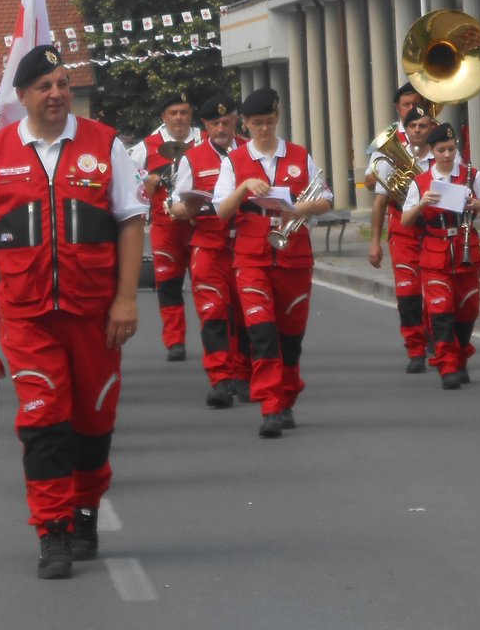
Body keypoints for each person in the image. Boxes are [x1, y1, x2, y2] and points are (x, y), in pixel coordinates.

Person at [0, 45, 145, 579]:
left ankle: (85, 512)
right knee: (44, 421)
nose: (57, 94)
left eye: (63, 83)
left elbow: (131, 222)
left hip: (94, 314)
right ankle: (52, 530)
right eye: (45, 86)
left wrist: (126, 298)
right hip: (26, 315)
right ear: (22, 97)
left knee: (92, 422)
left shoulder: (105, 145)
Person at [212, 87, 332, 439]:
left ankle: (287, 394)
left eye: (270, 122)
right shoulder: (233, 162)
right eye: (256, 123)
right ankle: (270, 405)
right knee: (261, 333)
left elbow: (324, 198)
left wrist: (298, 206)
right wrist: (245, 187)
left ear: (277, 119)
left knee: (290, 335)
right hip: (251, 258)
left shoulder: (298, 155)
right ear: (245, 125)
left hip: (293, 256)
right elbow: (221, 211)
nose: (264, 129)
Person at [166, 94, 249, 409]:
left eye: (227, 121)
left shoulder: (250, 152)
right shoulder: (193, 158)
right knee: (213, 313)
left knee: (244, 312)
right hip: (209, 244)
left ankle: (243, 374)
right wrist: (186, 207)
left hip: (244, 244)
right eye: (215, 122)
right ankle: (220, 379)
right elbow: (176, 204)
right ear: (205, 125)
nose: (222, 127)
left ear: (236, 120)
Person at [400, 123, 480, 390]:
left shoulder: (470, 175)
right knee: (441, 312)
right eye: (441, 150)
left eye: (451, 149)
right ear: (432, 151)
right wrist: (422, 203)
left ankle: (460, 354)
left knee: (467, 310)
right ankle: (447, 364)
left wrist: (477, 204)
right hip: (435, 252)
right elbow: (406, 220)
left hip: (466, 249)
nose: (447, 155)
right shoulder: (421, 182)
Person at [127, 92, 202, 361]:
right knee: (168, 285)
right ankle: (175, 341)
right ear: (164, 117)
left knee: (205, 284)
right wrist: (149, 182)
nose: (179, 118)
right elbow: (129, 181)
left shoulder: (203, 140)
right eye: (174, 113)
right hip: (165, 227)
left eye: (184, 112)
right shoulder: (147, 146)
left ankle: (214, 336)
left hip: (200, 225)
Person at [367, 105, 436, 372]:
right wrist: (375, 242)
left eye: (423, 126)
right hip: (403, 229)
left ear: (431, 128)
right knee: (407, 292)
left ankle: (434, 337)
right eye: (413, 126)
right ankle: (415, 350)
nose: (418, 131)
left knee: (434, 287)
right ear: (405, 131)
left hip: (433, 228)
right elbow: (380, 203)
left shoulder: (442, 156)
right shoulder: (390, 161)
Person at [363, 83, 426, 191]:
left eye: (415, 104)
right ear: (398, 107)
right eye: (406, 105)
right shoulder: (389, 136)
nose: (411, 109)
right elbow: (369, 182)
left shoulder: (435, 131)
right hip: (400, 207)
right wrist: (393, 171)